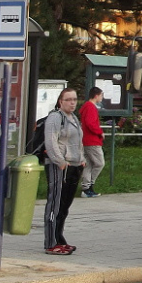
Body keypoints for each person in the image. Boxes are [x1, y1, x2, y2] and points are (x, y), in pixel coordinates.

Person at [43, 88, 85, 256]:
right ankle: (51, 243)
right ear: (61, 101)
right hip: (59, 166)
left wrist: (81, 159)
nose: (72, 102)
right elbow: (51, 142)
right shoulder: (55, 117)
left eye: (74, 99)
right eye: (68, 99)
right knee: (55, 204)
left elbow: (78, 141)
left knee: (64, 205)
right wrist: (60, 161)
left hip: (74, 166)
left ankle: (59, 239)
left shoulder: (73, 118)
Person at [80, 87, 105, 198]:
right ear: (96, 95)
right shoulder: (91, 107)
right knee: (100, 163)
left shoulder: (86, 107)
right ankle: (90, 185)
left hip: (85, 140)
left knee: (89, 165)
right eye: (101, 95)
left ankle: (85, 189)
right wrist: (100, 132)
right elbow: (90, 123)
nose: (102, 97)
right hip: (92, 140)